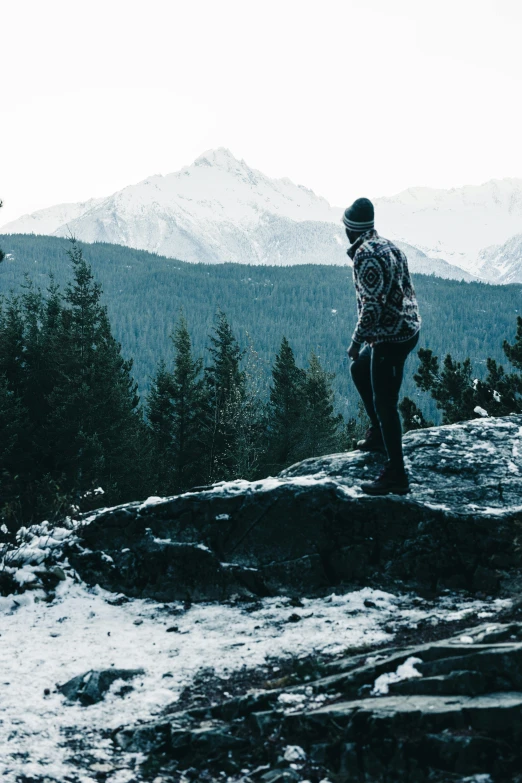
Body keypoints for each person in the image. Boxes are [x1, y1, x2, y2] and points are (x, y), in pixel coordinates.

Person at [344, 197, 421, 495]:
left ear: (352, 229)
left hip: (391, 336)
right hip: (406, 328)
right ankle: (378, 433)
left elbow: (372, 307)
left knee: (385, 402)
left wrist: (356, 342)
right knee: (361, 368)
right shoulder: (389, 246)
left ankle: (396, 475)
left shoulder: (366, 255)